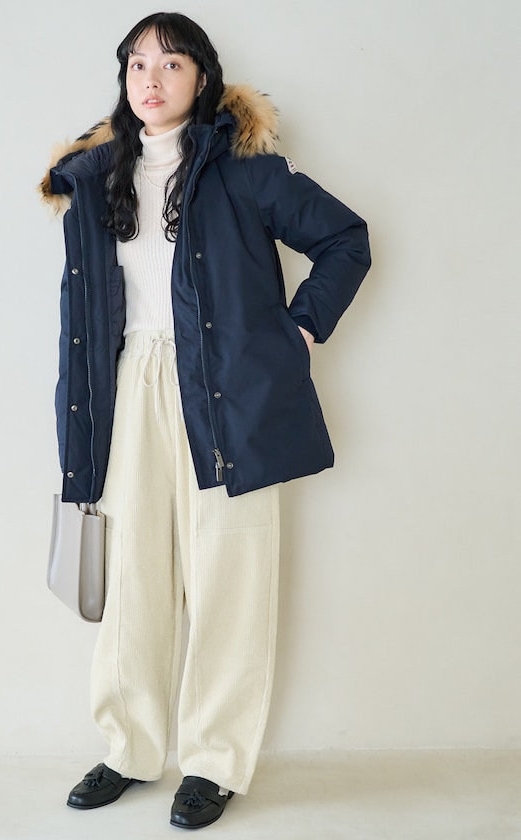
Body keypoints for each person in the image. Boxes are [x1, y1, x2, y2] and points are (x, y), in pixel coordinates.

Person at [40, 12, 370, 830]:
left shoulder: (244, 171)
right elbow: (83, 318)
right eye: (137, 64)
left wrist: (299, 329)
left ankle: (214, 761)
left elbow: (345, 239)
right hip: (129, 387)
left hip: (228, 390)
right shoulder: (94, 178)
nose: (151, 79)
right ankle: (130, 749)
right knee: (132, 575)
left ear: (202, 78)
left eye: (172, 64)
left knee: (229, 574)